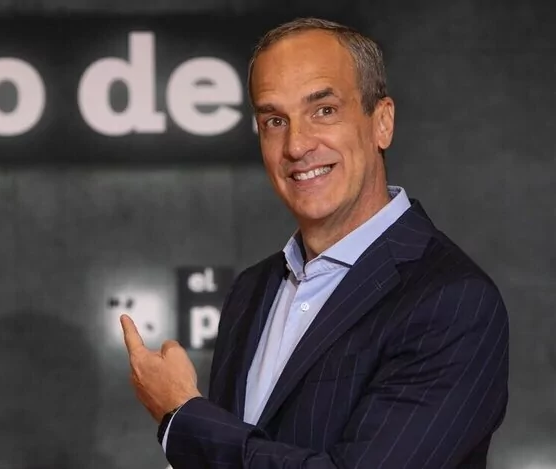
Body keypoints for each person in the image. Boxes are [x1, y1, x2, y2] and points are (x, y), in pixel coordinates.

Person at [120, 16, 509, 469]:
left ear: (382, 122)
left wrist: (183, 417)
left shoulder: (453, 302)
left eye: (323, 110)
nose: (296, 145)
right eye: (274, 120)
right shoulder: (251, 290)